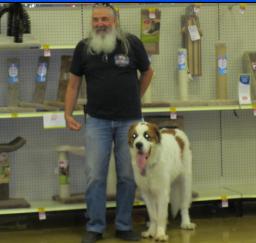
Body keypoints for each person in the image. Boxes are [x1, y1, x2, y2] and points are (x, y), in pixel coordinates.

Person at [64, 3, 154, 243]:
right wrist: (68, 113)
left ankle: (124, 225)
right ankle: (95, 227)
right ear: (92, 23)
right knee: (95, 175)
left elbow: (148, 72)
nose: (100, 24)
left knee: (127, 175)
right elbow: (73, 84)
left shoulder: (132, 43)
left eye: (105, 19)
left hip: (130, 124)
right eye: (96, 20)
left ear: (115, 20)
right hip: (97, 122)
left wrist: (136, 95)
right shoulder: (83, 48)